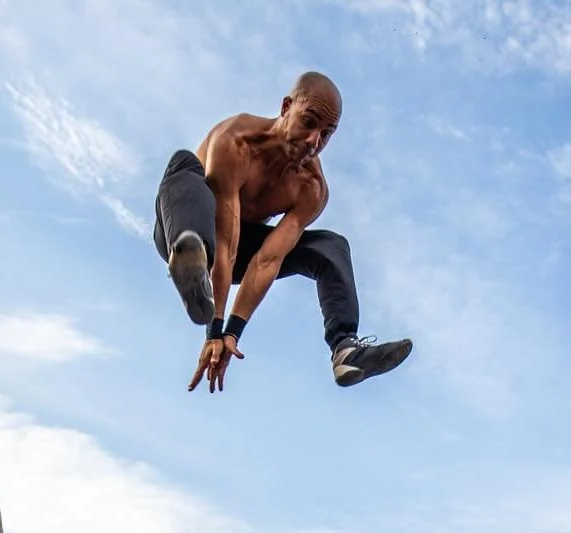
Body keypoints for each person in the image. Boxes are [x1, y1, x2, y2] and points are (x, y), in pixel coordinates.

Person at [153, 71, 412, 394]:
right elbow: (225, 241)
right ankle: (189, 260)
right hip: (192, 225)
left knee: (331, 247)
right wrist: (213, 330)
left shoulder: (312, 188)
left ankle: (345, 349)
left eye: (326, 134)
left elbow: (267, 260)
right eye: (308, 122)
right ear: (286, 106)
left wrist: (231, 334)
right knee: (184, 164)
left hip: (239, 256)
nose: (313, 142)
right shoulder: (234, 141)